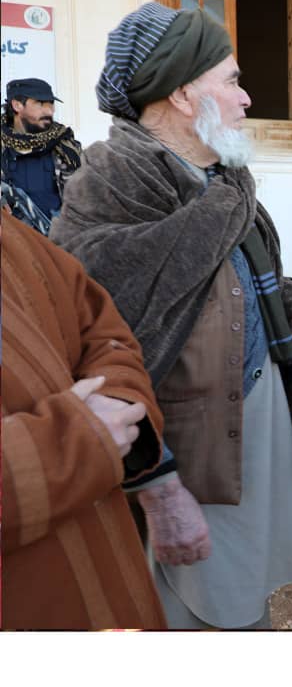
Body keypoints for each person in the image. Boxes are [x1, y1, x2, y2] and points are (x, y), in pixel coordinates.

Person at [50, 1, 292, 630]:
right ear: (183, 95)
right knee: (192, 611)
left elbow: (237, 276)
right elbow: (98, 348)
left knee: (244, 595)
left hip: (249, 424)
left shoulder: (226, 183)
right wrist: (156, 482)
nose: (246, 96)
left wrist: (289, 307)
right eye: (231, 79)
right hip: (184, 448)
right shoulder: (112, 181)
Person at [1, 208, 166, 629]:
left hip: (106, 574)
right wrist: (76, 441)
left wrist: (117, 401)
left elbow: (104, 332)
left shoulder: (9, 228)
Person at [1, 77, 81, 235]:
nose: (49, 111)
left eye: (51, 104)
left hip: (59, 241)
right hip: (11, 244)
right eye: (40, 104)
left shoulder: (65, 145)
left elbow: (85, 200)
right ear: (17, 105)